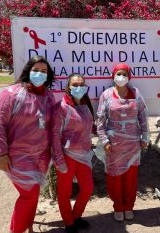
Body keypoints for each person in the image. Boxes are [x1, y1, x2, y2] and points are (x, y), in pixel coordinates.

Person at [0, 56, 56, 233]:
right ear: (28, 71)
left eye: (44, 71)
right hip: (17, 156)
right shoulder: (11, 94)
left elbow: (53, 125)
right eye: (35, 70)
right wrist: (1, 154)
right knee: (29, 195)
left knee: (33, 194)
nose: (39, 74)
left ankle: (28, 225)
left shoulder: (48, 96)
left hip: (41, 155)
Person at [96, 63, 149, 222]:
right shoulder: (106, 95)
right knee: (114, 178)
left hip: (133, 144)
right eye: (118, 74)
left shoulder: (136, 94)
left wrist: (145, 137)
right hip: (113, 145)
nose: (121, 77)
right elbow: (100, 120)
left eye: (124, 74)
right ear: (113, 75)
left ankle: (128, 206)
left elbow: (143, 117)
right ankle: (118, 206)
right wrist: (104, 140)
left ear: (129, 76)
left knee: (130, 178)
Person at [51, 74, 94, 233]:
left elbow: (88, 127)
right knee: (64, 192)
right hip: (66, 156)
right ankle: (69, 223)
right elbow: (54, 134)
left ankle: (76, 216)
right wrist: (59, 160)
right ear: (68, 87)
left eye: (82, 84)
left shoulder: (85, 105)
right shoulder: (61, 108)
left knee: (88, 188)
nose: (79, 87)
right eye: (75, 84)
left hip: (83, 155)